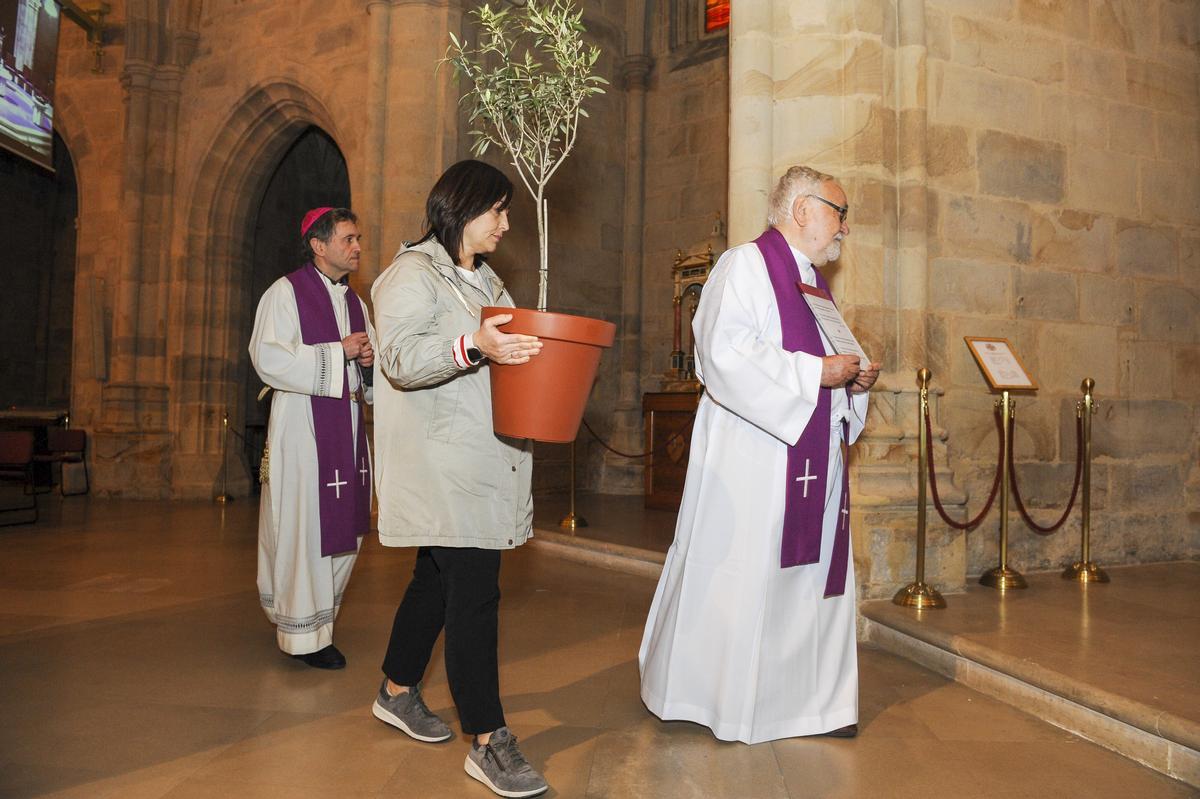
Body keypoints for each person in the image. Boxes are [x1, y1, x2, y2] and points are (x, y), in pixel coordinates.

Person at [638, 166, 881, 744]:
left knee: (807, 579)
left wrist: (852, 386)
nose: (845, 225)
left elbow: (828, 371)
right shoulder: (745, 265)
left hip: (809, 463)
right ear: (801, 210)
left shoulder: (813, 288)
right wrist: (816, 372)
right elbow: (723, 354)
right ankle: (724, 700)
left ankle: (809, 706)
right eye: (838, 211)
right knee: (748, 574)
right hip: (755, 462)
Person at [369, 160, 548, 798]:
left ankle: (395, 689)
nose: (505, 223)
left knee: (434, 577)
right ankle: (488, 740)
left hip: (479, 453)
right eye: (496, 210)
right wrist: (473, 347)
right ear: (460, 208)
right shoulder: (409, 276)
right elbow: (398, 359)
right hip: (439, 460)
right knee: (473, 591)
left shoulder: (486, 278)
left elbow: (500, 354)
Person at [249, 207, 375, 670]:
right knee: (305, 525)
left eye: (358, 238)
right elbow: (267, 359)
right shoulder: (284, 294)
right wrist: (337, 352)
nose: (357, 246)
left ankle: (321, 619)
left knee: (346, 530)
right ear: (318, 246)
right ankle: (304, 634)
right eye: (348, 238)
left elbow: (372, 370)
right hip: (302, 428)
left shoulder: (357, 303)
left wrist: (366, 364)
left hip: (345, 427)